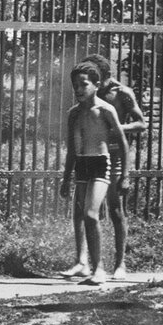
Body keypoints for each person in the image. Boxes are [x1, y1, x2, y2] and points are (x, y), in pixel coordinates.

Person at [60, 54, 147, 280]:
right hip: (85, 159)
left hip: (112, 158)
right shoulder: (79, 108)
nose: (80, 88)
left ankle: (119, 264)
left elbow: (141, 124)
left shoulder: (120, 94)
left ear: (101, 76)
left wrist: (113, 129)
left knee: (115, 210)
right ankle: (82, 261)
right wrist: (66, 177)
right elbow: (72, 146)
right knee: (82, 212)